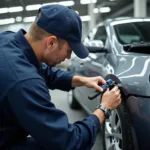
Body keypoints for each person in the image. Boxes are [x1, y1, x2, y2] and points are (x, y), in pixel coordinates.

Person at [0, 4, 121, 150]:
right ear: (51, 42)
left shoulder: (8, 40)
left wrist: (82, 80)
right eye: (69, 50)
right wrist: (104, 108)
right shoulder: (24, 82)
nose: (69, 57)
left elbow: (43, 71)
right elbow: (69, 142)